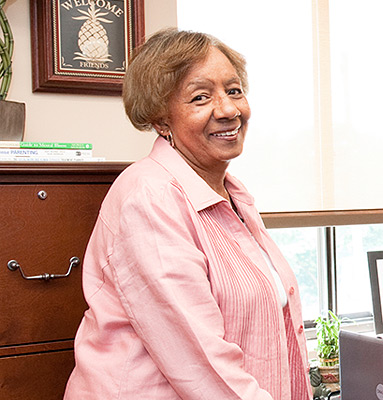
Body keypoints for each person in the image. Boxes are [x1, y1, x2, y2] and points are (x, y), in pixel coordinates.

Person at [64, 29, 312, 400]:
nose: (229, 110)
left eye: (234, 90)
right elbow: (202, 363)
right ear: (161, 120)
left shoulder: (234, 194)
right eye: (201, 97)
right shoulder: (150, 197)